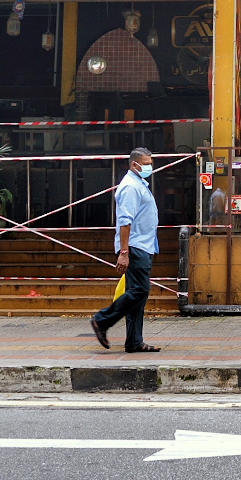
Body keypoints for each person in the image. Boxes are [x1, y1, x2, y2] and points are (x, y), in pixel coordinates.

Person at [90, 147, 161, 353]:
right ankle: (101, 320)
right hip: (135, 246)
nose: (149, 167)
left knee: (137, 295)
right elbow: (125, 221)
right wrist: (124, 252)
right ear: (134, 164)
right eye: (146, 163)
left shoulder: (138, 184)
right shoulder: (130, 187)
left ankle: (134, 341)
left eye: (150, 163)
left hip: (143, 246)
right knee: (140, 290)